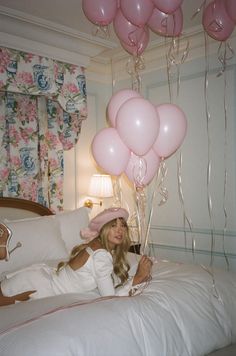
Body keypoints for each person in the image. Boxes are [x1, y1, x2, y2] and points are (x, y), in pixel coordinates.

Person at [0, 208, 152, 306]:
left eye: (122, 226)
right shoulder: (101, 256)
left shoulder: (97, 246)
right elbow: (109, 300)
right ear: (103, 230)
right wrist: (137, 279)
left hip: (38, 279)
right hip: (35, 286)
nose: (120, 231)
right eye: (113, 226)